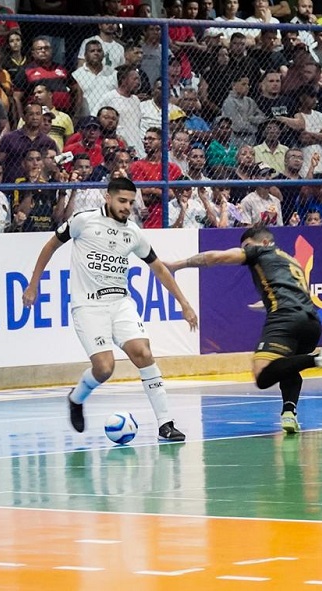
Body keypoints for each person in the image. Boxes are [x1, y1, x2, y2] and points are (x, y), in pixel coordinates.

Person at [21, 176, 197, 442]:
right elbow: (50, 247)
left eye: (130, 202)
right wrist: (33, 285)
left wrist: (184, 304)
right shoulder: (84, 221)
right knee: (105, 368)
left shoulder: (134, 233)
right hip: (88, 306)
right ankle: (76, 398)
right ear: (108, 197)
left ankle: (165, 423)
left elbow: (158, 267)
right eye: (122, 201)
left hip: (120, 302)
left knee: (143, 352)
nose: (127, 207)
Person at [163, 224, 322, 434]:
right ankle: (289, 412)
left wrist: (177, 265)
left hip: (285, 318)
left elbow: (216, 257)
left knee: (262, 375)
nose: (245, 250)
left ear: (265, 242)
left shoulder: (261, 251)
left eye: (247, 246)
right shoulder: (291, 261)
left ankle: (320, 358)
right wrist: (264, 304)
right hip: (311, 323)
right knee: (288, 366)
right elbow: (292, 291)